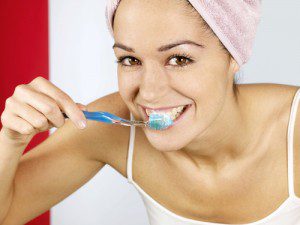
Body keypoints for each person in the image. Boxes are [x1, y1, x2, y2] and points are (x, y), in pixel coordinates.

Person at [0, 0, 300, 224]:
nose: (150, 93)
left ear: (235, 54)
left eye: (179, 59)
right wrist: (10, 141)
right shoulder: (109, 126)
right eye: (130, 60)